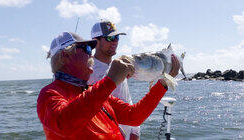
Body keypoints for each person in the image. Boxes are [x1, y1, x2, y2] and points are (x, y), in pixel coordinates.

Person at [37, 31, 180, 140]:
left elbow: (135, 116)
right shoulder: (49, 94)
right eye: (87, 49)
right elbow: (64, 123)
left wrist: (164, 82)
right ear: (65, 56)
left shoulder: (94, 92)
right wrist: (110, 80)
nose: (91, 56)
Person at [88, 20, 139, 140]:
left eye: (117, 37)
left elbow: (127, 100)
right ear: (96, 41)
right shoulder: (87, 71)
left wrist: (135, 132)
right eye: (110, 38)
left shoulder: (120, 66)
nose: (115, 42)